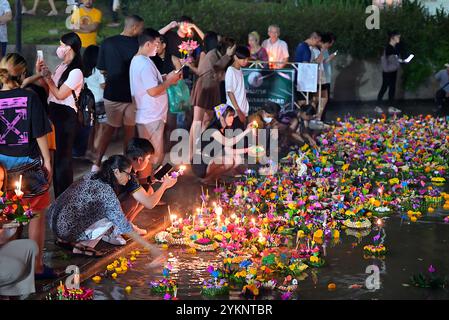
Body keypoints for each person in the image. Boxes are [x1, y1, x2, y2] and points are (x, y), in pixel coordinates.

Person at [0, 53, 55, 279]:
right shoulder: (29, 97)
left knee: (8, 216)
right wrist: (48, 163)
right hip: (28, 166)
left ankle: (8, 266)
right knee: (34, 216)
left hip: (2, 168)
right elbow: (40, 132)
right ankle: (36, 266)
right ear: (22, 73)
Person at [48, 155, 162, 261]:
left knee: (106, 210)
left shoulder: (93, 175)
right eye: (128, 174)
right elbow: (125, 227)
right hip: (65, 230)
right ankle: (85, 243)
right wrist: (150, 247)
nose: (129, 177)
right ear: (116, 172)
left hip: (53, 221)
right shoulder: (107, 194)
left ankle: (66, 239)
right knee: (112, 216)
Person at [92, 15, 144, 172]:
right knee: (129, 130)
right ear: (134, 27)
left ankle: (97, 162)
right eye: (141, 27)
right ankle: (126, 165)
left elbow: (101, 68)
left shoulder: (108, 42)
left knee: (110, 128)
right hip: (132, 94)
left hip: (112, 92)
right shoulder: (138, 44)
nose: (141, 30)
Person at [37, 32, 84, 198]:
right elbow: (49, 90)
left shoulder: (76, 71)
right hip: (54, 112)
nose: (60, 48)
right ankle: (59, 198)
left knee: (63, 159)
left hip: (66, 116)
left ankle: (65, 198)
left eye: (62, 45)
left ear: (69, 47)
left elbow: (60, 94)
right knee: (56, 157)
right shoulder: (61, 66)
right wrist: (42, 74)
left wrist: (49, 79)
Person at [129, 28, 181, 178]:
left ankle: (146, 188)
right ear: (147, 44)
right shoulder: (144, 64)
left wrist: (166, 78)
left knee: (148, 154)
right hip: (151, 115)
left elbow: (150, 84)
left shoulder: (138, 60)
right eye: (156, 44)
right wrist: (170, 81)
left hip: (147, 114)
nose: (157, 47)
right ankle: (147, 190)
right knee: (152, 155)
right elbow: (152, 91)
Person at [189, 37, 236, 160]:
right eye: (231, 48)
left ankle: (202, 148)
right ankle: (192, 152)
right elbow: (215, 68)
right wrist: (228, 55)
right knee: (197, 121)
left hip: (213, 88)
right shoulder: (212, 54)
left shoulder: (222, 56)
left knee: (207, 120)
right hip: (204, 87)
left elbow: (220, 74)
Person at [120, 138, 177, 234]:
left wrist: (151, 179)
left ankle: (126, 224)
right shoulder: (128, 175)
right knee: (136, 196)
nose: (148, 162)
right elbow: (150, 203)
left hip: (104, 209)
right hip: (102, 217)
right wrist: (164, 185)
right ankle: (117, 229)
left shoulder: (123, 164)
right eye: (148, 159)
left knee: (147, 188)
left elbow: (134, 183)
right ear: (139, 160)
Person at [0, 163, 38, 299]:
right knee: (16, 267)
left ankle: (11, 293)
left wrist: (19, 204)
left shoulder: (4, 201)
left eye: (1, 181)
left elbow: (11, 235)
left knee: (30, 247)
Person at [192, 105, 256, 184]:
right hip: (200, 165)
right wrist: (246, 131)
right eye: (229, 116)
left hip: (209, 162)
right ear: (221, 118)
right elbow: (228, 142)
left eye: (232, 116)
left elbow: (228, 150)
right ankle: (208, 179)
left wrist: (247, 150)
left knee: (238, 159)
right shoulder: (213, 130)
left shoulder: (224, 130)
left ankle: (214, 178)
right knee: (229, 160)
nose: (232, 119)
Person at [77, 45, 106, 162]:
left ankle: (88, 151)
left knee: (92, 128)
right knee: (101, 129)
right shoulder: (99, 69)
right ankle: (96, 153)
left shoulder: (83, 70)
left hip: (89, 103)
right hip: (100, 102)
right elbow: (103, 85)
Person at [376, 30, 404, 114]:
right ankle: (378, 106)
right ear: (392, 38)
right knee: (384, 87)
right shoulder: (388, 48)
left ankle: (391, 107)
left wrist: (401, 61)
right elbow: (386, 61)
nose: (399, 38)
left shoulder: (394, 48)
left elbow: (395, 60)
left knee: (392, 88)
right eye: (398, 37)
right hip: (388, 72)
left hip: (393, 71)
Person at [226, 46, 251, 127]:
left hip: (242, 111)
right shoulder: (231, 71)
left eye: (247, 59)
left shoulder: (239, 70)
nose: (246, 61)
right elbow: (230, 92)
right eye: (243, 59)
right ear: (235, 57)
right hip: (235, 113)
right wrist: (238, 110)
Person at [319, 32, 337, 120]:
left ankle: (322, 118)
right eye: (331, 42)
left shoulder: (324, 49)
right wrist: (332, 56)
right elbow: (323, 61)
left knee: (325, 99)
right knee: (323, 99)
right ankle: (321, 118)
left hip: (326, 78)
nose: (331, 44)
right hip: (323, 78)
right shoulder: (322, 49)